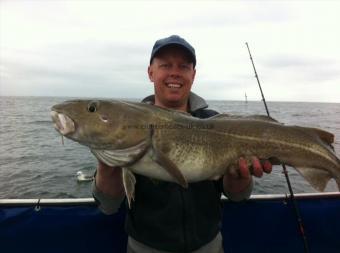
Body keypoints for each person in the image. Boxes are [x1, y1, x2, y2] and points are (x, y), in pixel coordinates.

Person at [92, 35, 272, 253]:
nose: (174, 72)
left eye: (184, 66)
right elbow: (109, 206)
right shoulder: (129, 124)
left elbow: (238, 196)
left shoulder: (216, 123)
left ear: (193, 75)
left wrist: (240, 177)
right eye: (165, 65)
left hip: (209, 246)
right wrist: (107, 164)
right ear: (151, 72)